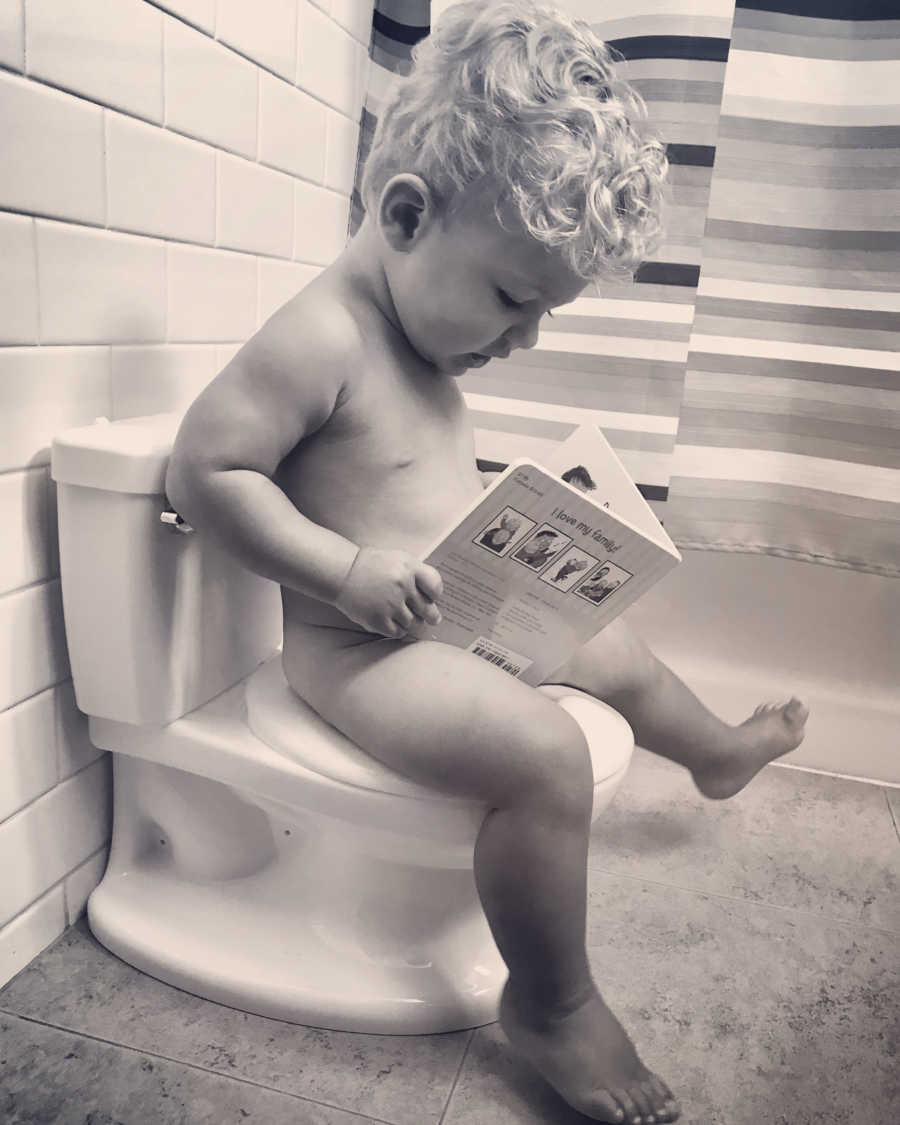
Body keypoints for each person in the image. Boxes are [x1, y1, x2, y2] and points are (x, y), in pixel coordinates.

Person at [165, 4, 808, 1121]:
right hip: (358, 651)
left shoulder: (420, 343)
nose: (526, 338)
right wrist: (340, 572)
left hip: (446, 614)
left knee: (619, 650)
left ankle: (710, 752)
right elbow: (203, 477)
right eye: (515, 298)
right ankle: (552, 1004)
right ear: (407, 213)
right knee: (545, 757)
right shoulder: (320, 339)